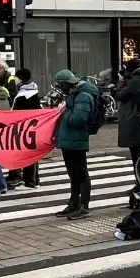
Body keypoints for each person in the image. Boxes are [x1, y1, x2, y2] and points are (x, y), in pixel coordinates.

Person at [54, 69, 99, 220]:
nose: (60, 88)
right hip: (69, 141)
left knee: (81, 174)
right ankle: (73, 203)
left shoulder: (84, 96)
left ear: (67, 83)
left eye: (61, 85)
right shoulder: (74, 94)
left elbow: (78, 120)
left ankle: (84, 206)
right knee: (73, 175)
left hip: (77, 141)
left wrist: (63, 112)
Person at [116, 62, 140, 189]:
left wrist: (121, 81)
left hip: (134, 121)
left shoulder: (135, 81)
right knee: (138, 153)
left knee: (137, 155)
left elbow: (120, 95)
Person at [10, 68, 41, 188]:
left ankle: (30, 180)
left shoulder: (25, 94)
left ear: (21, 79)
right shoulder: (31, 90)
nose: (15, 79)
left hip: (26, 127)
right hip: (30, 127)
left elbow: (20, 111)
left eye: (16, 77)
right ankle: (33, 179)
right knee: (31, 153)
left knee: (28, 154)